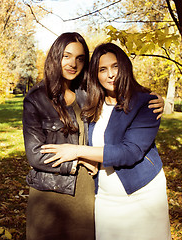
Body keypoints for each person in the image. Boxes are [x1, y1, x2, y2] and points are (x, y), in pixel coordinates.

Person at [41, 42, 171, 240]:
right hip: (104, 197)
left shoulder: (146, 103)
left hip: (143, 194)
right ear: (96, 74)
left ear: (125, 67)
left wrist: (77, 151)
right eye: (103, 69)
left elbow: (130, 152)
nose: (110, 74)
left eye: (115, 66)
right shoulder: (92, 103)